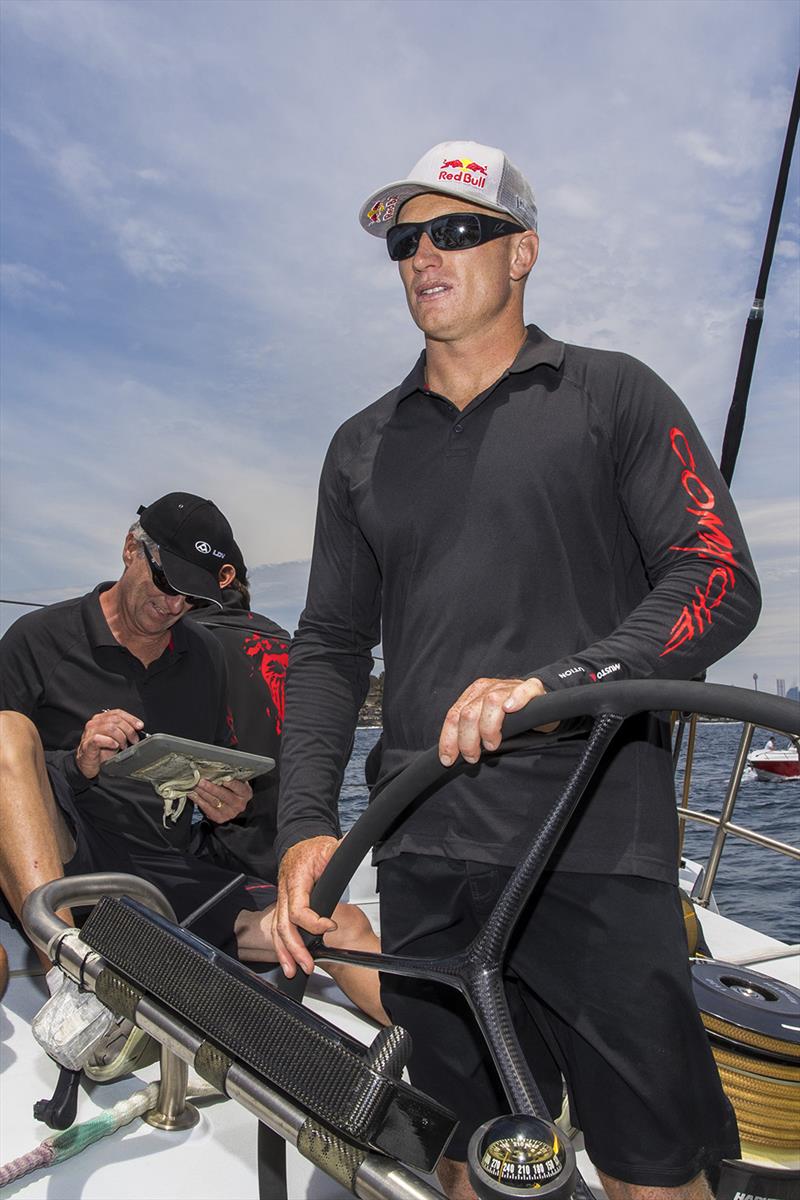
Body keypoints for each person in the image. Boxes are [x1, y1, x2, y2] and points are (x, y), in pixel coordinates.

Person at [272, 142, 762, 1198]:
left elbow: (716, 578)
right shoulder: (359, 447)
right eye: (406, 241)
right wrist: (305, 823)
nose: (423, 257)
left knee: (649, 1160)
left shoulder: (611, 395)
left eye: (455, 230)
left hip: (588, 838)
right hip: (422, 840)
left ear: (522, 251)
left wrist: (567, 681)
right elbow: (324, 647)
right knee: (474, 1152)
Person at [0, 492, 385, 1024]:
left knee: (338, 923)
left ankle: (458, 1076)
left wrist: (230, 803)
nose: (175, 606)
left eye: (192, 597)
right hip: (62, 856)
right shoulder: (37, 638)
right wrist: (78, 763)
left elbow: (204, 772)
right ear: (131, 549)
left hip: (158, 871)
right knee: (5, 731)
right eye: (166, 583)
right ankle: (67, 982)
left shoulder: (204, 655)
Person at [188, 541, 289, 884]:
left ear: (225, 577)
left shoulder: (176, 646)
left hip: (209, 878)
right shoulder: (293, 647)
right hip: (299, 867)